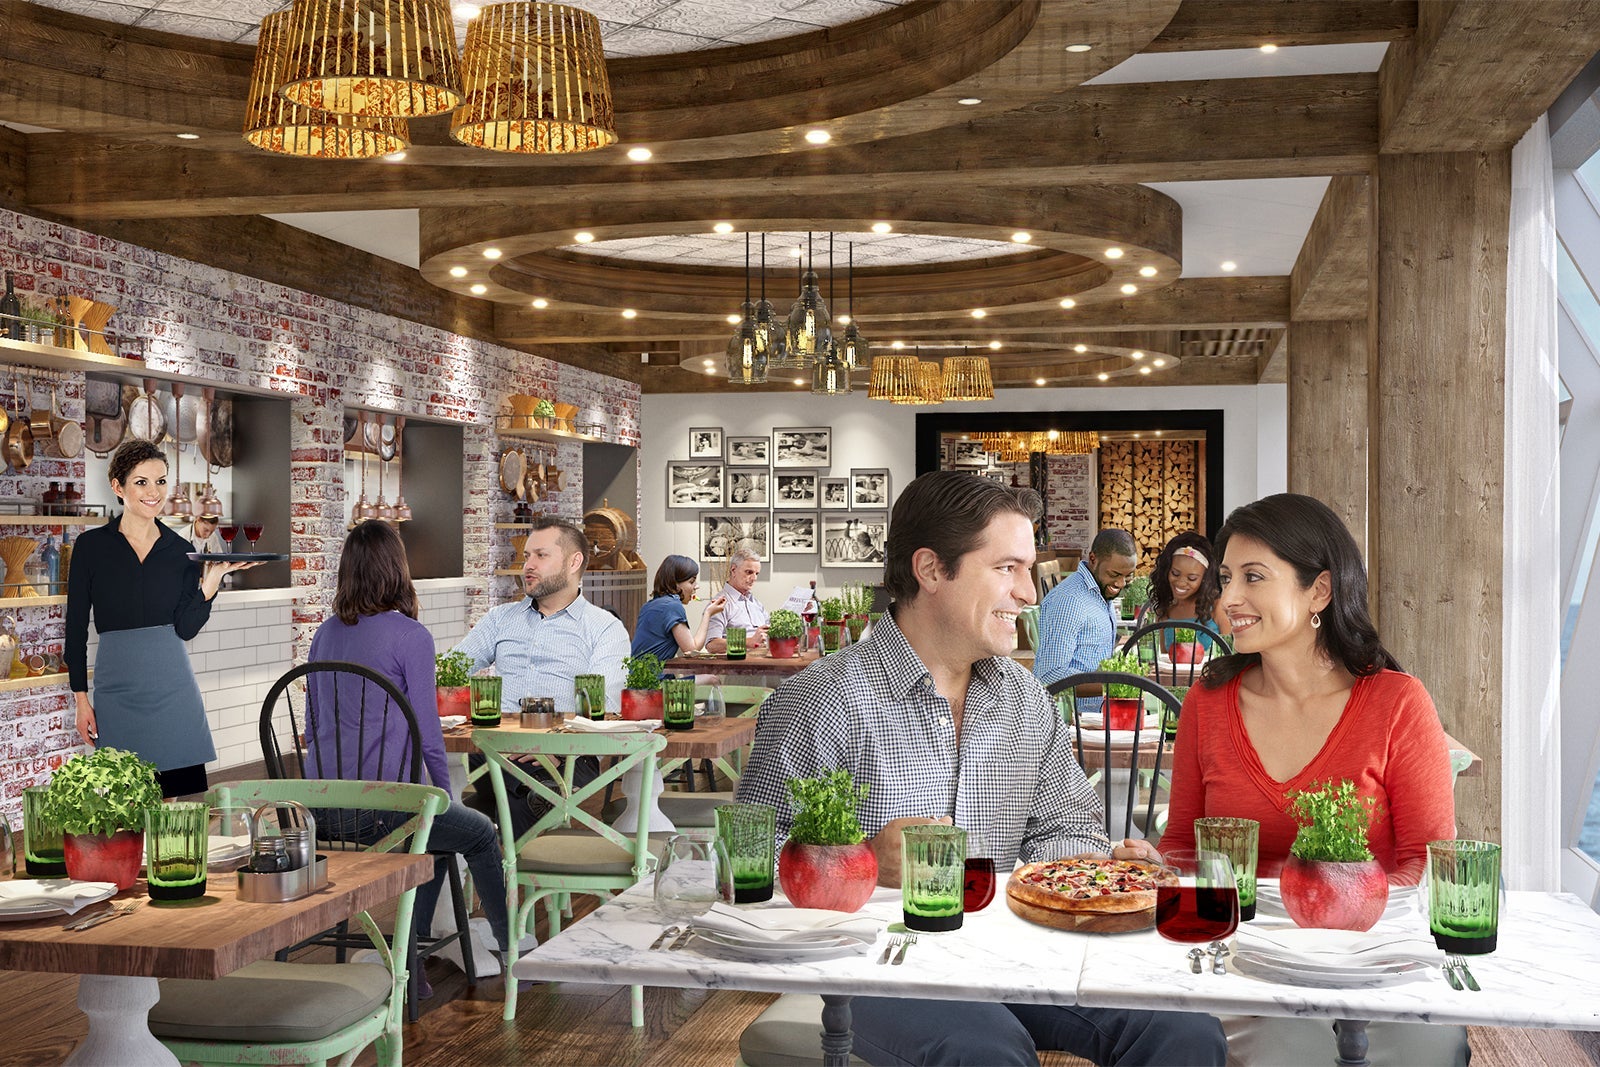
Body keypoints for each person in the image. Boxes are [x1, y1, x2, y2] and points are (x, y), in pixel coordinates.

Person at [736, 470, 1226, 1067]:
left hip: (1007, 945)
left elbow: (1065, 827)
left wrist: (1097, 868)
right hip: (876, 962)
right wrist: (862, 861)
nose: (1029, 594)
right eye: (1006, 568)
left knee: (1186, 1032)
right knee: (987, 1053)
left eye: (1027, 570)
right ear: (930, 569)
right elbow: (746, 871)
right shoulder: (819, 701)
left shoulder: (1025, 700)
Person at [1158, 493, 1461, 1066]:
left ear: (1319, 590)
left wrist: (1330, 927)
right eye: (1226, 579)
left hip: (1375, 960)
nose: (1228, 599)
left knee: (1429, 1050)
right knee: (1283, 1051)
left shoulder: (1398, 702)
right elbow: (1182, 845)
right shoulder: (1207, 701)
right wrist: (1155, 866)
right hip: (1244, 959)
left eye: (1253, 577)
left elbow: (1425, 863)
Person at [306, 520, 512, 997]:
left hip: (321, 809)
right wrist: (443, 793)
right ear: (397, 568)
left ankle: (410, 961)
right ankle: (512, 950)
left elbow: (312, 726)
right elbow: (427, 733)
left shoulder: (324, 634)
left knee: (435, 836)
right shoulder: (410, 636)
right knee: (478, 833)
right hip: (383, 810)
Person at [65, 440, 255, 798]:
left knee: (174, 807)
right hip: (117, 692)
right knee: (123, 804)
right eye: (141, 482)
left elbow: (186, 628)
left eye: (161, 481)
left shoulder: (181, 552)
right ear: (118, 487)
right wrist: (81, 699)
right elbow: (74, 627)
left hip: (173, 691)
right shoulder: (91, 547)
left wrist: (211, 583)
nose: (154, 492)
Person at [454, 515, 630, 839]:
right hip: (496, 748)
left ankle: (504, 858)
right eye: (526, 556)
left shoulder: (604, 628)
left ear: (574, 562)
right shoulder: (500, 619)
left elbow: (605, 705)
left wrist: (553, 745)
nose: (528, 566)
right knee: (511, 780)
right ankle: (536, 806)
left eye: (541, 555)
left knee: (519, 794)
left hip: (570, 754)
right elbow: (451, 670)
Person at [1034, 528, 1138, 688]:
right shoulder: (1068, 601)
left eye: (1128, 575)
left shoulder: (1100, 590)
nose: (1121, 583)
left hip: (1101, 702)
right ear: (1093, 559)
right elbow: (1049, 675)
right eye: (1114, 575)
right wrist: (1108, 684)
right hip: (1077, 705)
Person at [1136, 531, 1225, 652]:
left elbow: (1231, 654)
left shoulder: (1218, 607)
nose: (1181, 583)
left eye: (1192, 578)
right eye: (1175, 573)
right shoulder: (1164, 610)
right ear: (1167, 571)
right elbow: (1164, 656)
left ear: (1204, 579)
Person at [632, 554, 726, 662]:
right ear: (675, 583)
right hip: (655, 672)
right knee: (712, 674)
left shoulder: (649, 605)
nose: (696, 586)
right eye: (691, 582)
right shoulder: (672, 606)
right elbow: (692, 650)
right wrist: (708, 613)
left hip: (638, 671)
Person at [705, 546, 769, 653]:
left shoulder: (755, 602)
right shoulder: (720, 604)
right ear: (733, 570)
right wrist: (748, 642)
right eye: (749, 572)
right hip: (738, 661)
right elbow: (711, 645)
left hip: (763, 658)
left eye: (756, 573)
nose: (754, 578)